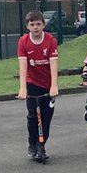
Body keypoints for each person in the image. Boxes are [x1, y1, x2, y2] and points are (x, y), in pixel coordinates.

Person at [17, 9, 59, 159]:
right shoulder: (23, 41)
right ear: (27, 26)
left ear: (43, 25)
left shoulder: (50, 40)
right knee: (33, 116)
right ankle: (32, 143)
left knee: (46, 118)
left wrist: (54, 85)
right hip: (32, 82)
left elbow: (53, 64)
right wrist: (23, 88)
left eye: (38, 24)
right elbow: (23, 66)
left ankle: (42, 145)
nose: (35, 27)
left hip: (47, 83)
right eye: (32, 24)